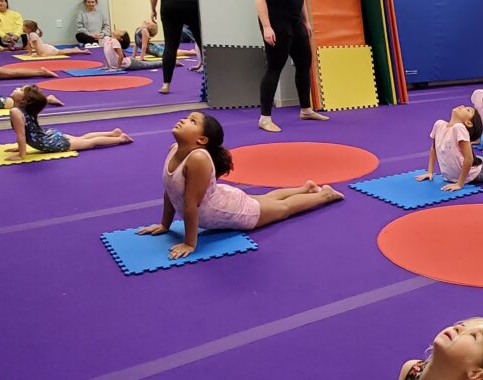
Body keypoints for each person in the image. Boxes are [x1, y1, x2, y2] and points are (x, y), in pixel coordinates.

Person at [136, 112, 345, 259]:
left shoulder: (198, 158)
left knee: (283, 209)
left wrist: (190, 243)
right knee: (265, 200)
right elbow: (170, 192)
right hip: (221, 198)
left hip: (232, 211)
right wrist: (165, 225)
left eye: (192, 121)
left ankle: (324, 195)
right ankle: (305, 188)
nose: (183, 120)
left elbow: (191, 205)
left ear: (201, 139)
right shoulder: (174, 149)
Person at [3, 85, 132, 161]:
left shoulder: (16, 111)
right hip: (49, 136)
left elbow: (21, 135)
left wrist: (21, 155)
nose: (16, 88)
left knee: (90, 143)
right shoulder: (22, 109)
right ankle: (112, 133)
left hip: (51, 142)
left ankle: (120, 138)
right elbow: (25, 132)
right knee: (81, 138)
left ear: (22, 101)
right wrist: (20, 147)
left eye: (20, 89)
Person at [254, 0, 327, 132]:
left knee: (304, 63)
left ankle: (306, 110)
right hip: (276, 21)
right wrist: (266, 26)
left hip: (296, 21)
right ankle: (265, 119)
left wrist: (306, 22)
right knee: (275, 67)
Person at [398, 317, 483, 380]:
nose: (458, 328)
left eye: (473, 336)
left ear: (475, 373)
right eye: (463, 325)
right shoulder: (411, 370)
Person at [149, 0, 204, 94]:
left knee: (170, 44)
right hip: (191, 6)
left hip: (170, 6)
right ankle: (212, 80)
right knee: (201, 41)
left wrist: (153, 9)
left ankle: (166, 85)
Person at [100, 30, 175, 71]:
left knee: (151, 65)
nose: (117, 30)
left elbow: (121, 55)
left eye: (120, 32)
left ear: (120, 38)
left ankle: (171, 62)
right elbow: (106, 54)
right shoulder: (107, 39)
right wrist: (107, 66)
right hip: (123, 63)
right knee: (150, 64)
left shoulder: (114, 41)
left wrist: (117, 68)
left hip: (130, 63)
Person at [25, 21, 89, 56]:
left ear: (28, 28)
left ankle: (81, 51)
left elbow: (35, 45)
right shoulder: (28, 34)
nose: (22, 28)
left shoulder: (32, 34)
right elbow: (29, 45)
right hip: (44, 49)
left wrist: (39, 54)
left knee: (63, 52)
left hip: (47, 50)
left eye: (23, 26)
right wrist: (30, 53)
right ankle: (75, 49)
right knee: (62, 51)